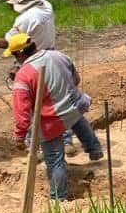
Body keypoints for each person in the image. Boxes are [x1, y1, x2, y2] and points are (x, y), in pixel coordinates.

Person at [0, 0, 75, 154]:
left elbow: (8, 44)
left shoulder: (24, 20)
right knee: (57, 100)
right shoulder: (45, 5)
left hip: (34, 63)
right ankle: (66, 140)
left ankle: (36, 144)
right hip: (52, 58)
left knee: (35, 105)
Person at [7, 34, 104, 201]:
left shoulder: (24, 75)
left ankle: (59, 199)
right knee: (76, 119)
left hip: (51, 121)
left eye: (15, 56)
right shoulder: (58, 55)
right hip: (74, 105)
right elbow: (76, 79)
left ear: (20, 54)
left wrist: (19, 137)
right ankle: (94, 149)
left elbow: (22, 113)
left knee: (55, 161)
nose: (16, 60)